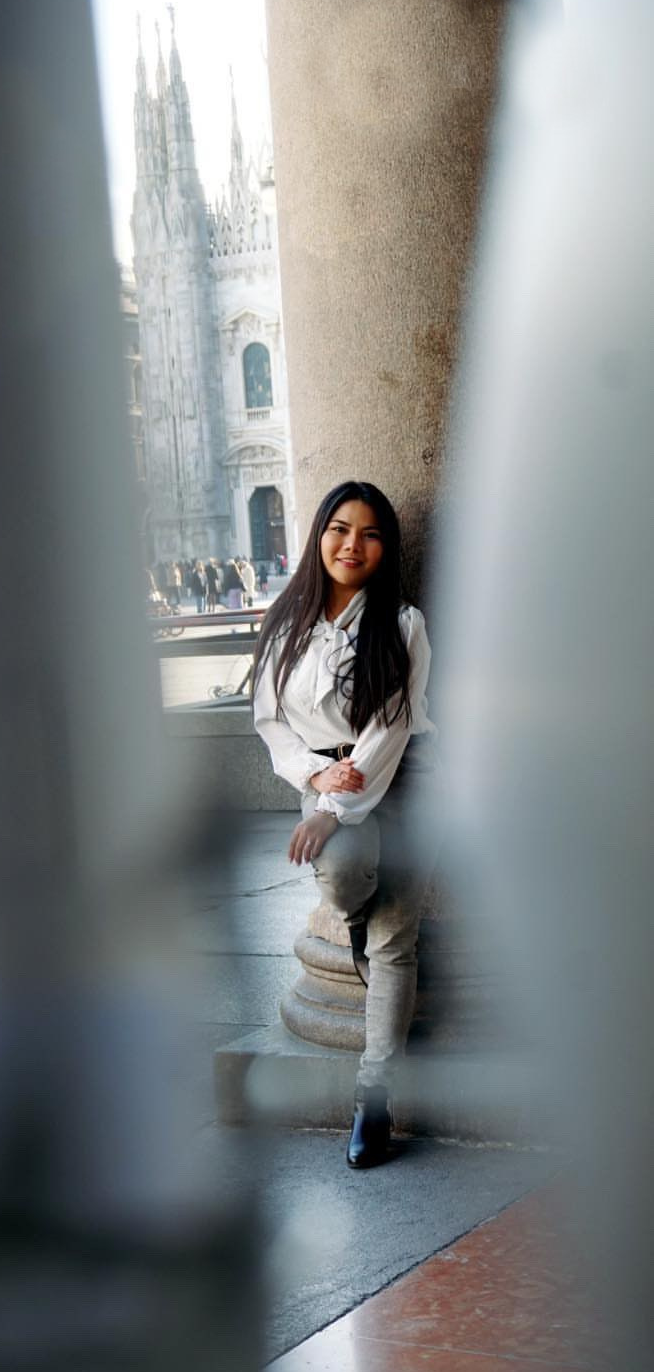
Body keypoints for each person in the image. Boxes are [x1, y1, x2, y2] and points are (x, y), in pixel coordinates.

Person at [251, 481, 442, 1169]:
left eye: (368, 533)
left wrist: (336, 804)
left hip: (400, 782)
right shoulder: (285, 621)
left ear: (385, 547)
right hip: (327, 779)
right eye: (338, 528)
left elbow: (390, 730)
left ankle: (375, 1098)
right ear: (319, 536)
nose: (351, 544)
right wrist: (314, 776)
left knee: (396, 939)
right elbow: (270, 721)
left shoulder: (403, 623)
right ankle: (355, 924)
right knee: (340, 880)